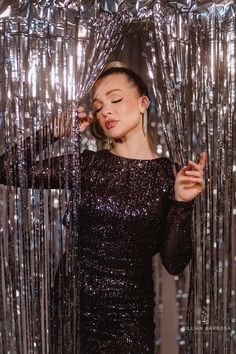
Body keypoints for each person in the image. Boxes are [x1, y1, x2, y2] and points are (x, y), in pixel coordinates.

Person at [0, 61, 206, 353]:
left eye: (116, 99)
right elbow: (7, 169)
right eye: (98, 107)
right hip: (73, 306)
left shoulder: (170, 176)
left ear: (142, 103)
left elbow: (174, 263)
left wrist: (182, 204)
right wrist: (51, 133)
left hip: (129, 318)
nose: (105, 111)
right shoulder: (88, 165)